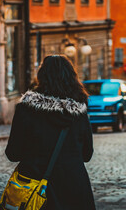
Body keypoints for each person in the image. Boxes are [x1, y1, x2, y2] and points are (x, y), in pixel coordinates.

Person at [5, 55, 96, 210]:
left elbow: (13, 153)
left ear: (41, 76)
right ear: (71, 77)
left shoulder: (25, 109)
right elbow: (87, 154)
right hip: (74, 188)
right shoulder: (79, 112)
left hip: (34, 187)